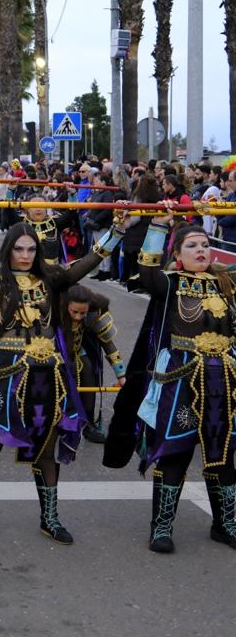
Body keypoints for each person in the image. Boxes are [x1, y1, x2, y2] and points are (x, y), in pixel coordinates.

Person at [0, 204, 125, 544]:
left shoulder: (52, 281)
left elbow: (86, 264)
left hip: (47, 376)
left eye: (30, 249)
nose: (25, 254)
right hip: (4, 375)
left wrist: (117, 232)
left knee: (46, 448)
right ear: (7, 249)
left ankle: (50, 518)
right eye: (18, 248)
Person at [122, 209, 236, 553]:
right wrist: (157, 225)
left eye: (205, 245)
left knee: (223, 453)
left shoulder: (227, 282)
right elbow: (146, 271)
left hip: (223, 377)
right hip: (181, 376)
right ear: (177, 254)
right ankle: (161, 528)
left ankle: (225, 524)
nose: (201, 250)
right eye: (192, 246)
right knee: (176, 451)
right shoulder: (169, 283)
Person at [63, 284, 126, 443]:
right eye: (74, 312)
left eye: (82, 313)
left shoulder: (93, 314)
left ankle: (88, 424)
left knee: (88, 372)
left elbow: (108, 346)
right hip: (55, 356)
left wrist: (122, 375)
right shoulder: (53, 312)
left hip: (79, 353)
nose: (78, 317)